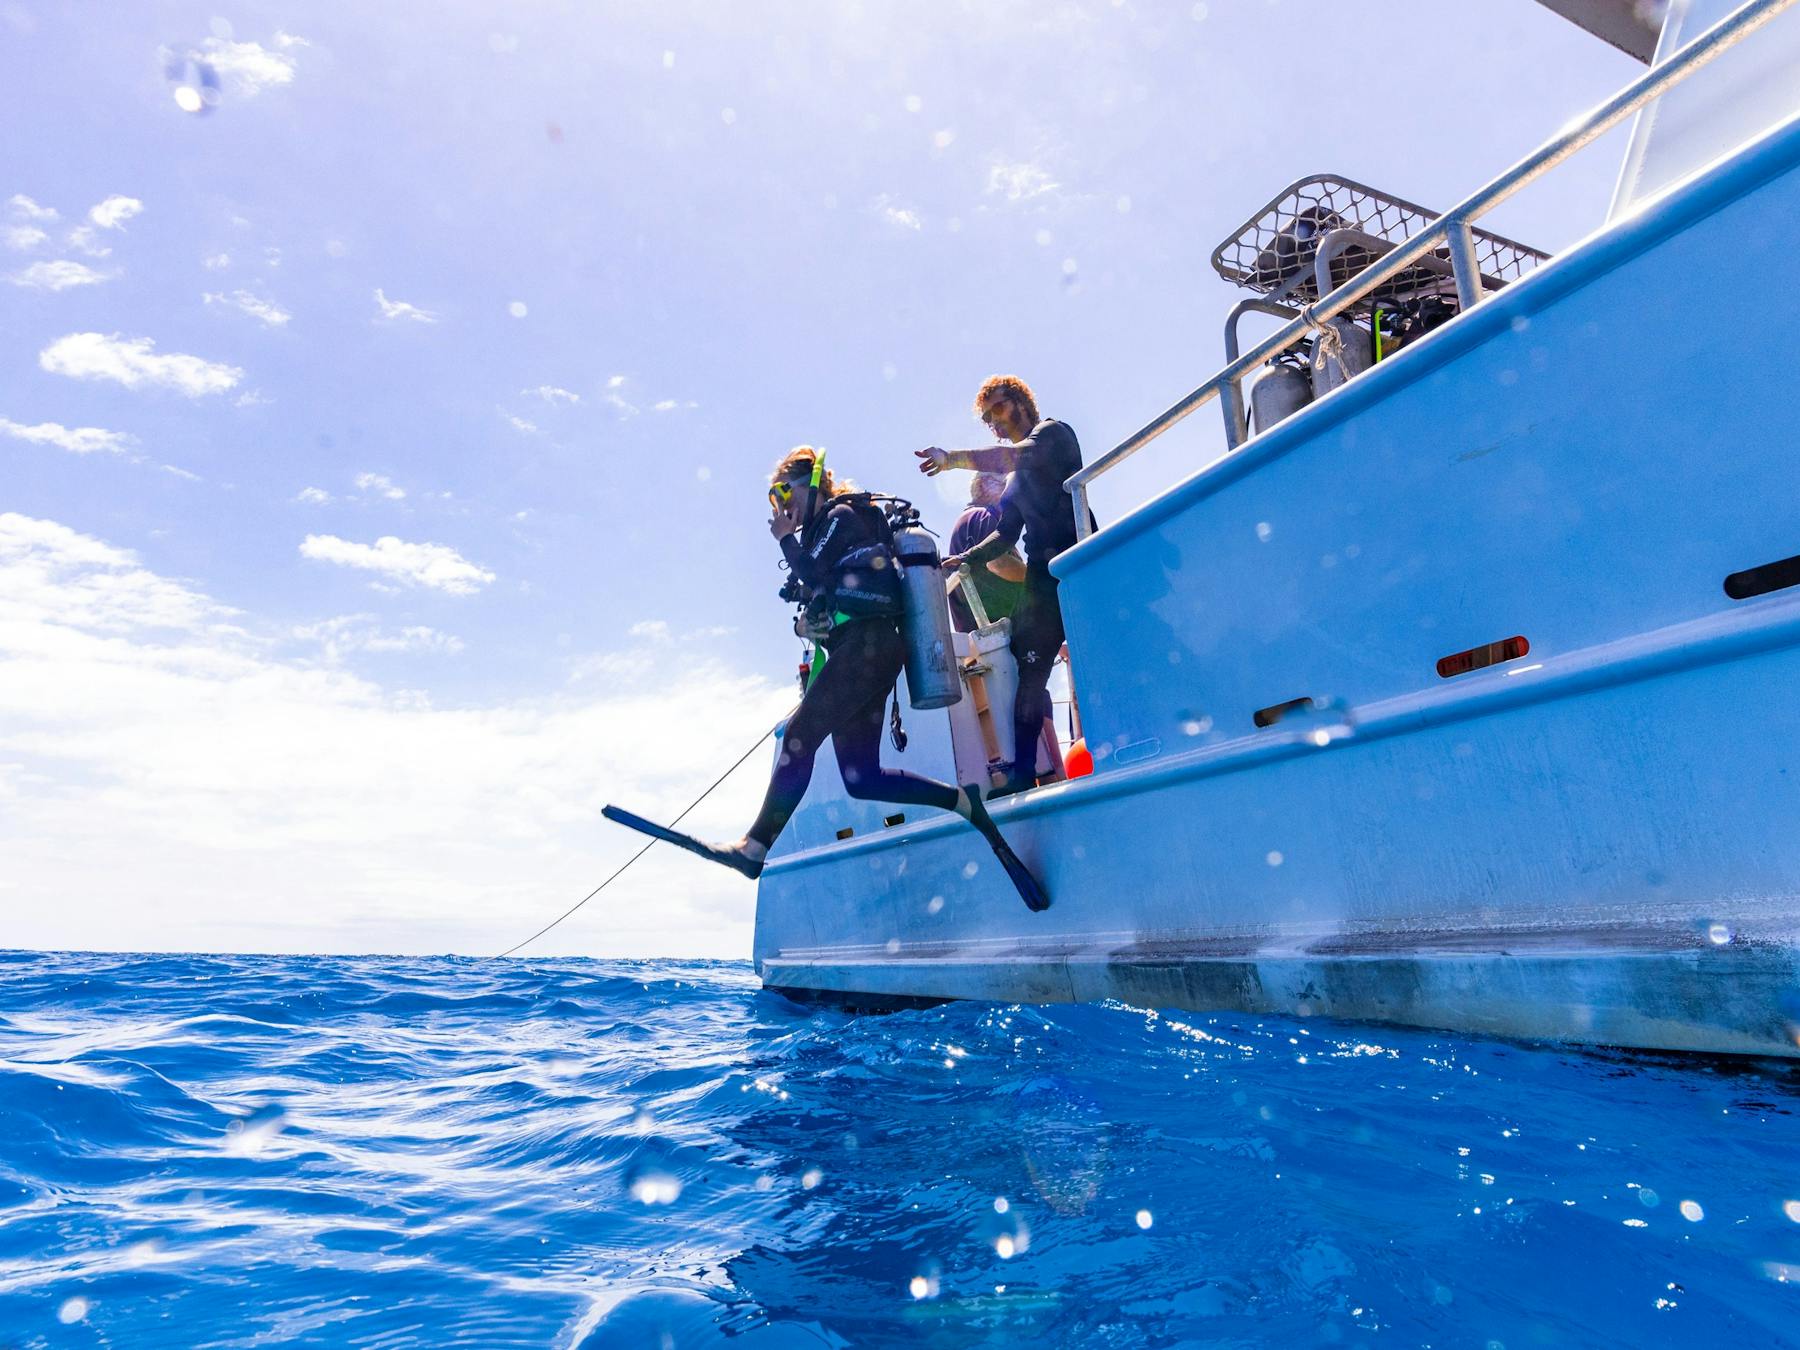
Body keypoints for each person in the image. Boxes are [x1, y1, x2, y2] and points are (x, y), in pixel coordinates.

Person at [687, 447, 1047, 910]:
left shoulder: (839, 515)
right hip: (865, 652)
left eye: (784, 490)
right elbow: (818, 594)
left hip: (869, 648)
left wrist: (783, 538)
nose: (780, 505)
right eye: (773, 497)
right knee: (861, 777)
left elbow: (814, 568)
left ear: (812, 482)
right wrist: (805, 625)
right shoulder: (822, 534)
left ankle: (754, 847)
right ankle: (963, 801)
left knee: (800, 735)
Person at [917, 375, 1086, 795]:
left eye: (998, 408)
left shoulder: (1053, 434)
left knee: (1094, 656)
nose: (993, 421)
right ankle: (1020, 777)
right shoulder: (1015, 484)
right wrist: (965, 559)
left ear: (1021, 401)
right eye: (986, 417)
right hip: (1043, 578)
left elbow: (1011, 458)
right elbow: (1005, 534)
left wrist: (952, 458)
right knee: (1026, 669)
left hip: (1080, 564)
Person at [946, 471, 1025, 634]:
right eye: (1004, 485)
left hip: (982, 640)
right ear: (983, 485)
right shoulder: (983, 515)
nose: (1009, 492)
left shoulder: (969, 519)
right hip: (996, 637)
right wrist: (1040, 575)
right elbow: (999, 563)